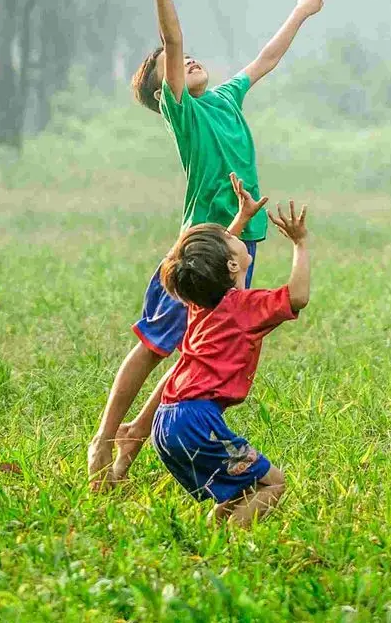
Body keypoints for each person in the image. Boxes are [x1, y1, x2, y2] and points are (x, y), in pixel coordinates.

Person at [86, 0, 328, 489]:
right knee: (153, 345)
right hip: (200, 247)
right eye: (171, 65)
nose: (187, 58)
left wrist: (301, 11)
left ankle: (128, 454)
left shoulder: (224, 97)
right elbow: (171, 40)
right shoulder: (184, 113)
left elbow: (265, 58)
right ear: (160, 90)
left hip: (240, 245)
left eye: (192, 57)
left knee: (197, 353)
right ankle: (105, 438)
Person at [147, 183, 310, 526]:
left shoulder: (201, 299)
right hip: (196, 423)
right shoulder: (244, 308)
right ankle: (231, 545)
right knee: (273, 483)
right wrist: (300, 243)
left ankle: (213, 535)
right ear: (233, 264)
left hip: (166, 420)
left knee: (241, 490)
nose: (233, 235)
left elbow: (213, 263)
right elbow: (297, 296)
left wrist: (241, 218)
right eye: (231, 238)